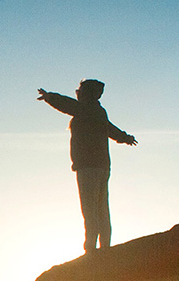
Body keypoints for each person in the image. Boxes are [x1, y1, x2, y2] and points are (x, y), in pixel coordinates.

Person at [37, 79, 137, 253]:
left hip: (88, 167)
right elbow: (111, 130)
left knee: (90, 208)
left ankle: (91, 248)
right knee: (101, 207)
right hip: (102, 166)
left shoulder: (86, 109)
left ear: (88, 94)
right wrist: (125, 137)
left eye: (80, 91)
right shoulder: (99, 112)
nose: (78, 93)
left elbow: (68, 105)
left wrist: (49, 97)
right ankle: (104, 246)